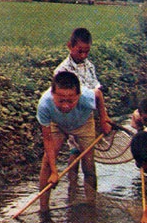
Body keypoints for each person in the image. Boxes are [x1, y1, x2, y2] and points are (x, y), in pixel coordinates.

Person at [37, 71, 111, 212]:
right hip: (58, 125)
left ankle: (91, 204)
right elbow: (47, 140)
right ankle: (43, 208)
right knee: (47, 162)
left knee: (88, 164)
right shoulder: (44, 104)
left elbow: (98, 95)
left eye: (70, 101)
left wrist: (103, 119)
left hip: (83, 123)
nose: (65, 106)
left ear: (78, 95)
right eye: (61, 101)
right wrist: (54, 171)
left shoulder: (86, 96)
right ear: (53, 95)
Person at [54, 27, 111, 196]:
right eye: (80, 51)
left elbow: (96, 91)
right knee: (75, 150)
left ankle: (89, 200)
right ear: (69, 46)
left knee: (87, 158)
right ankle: (72, 189)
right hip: (71, 116)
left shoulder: (89, 66)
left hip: (87, 116)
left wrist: (103, 118)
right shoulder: (62, 71)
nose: (84, 56)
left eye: (87, 52)